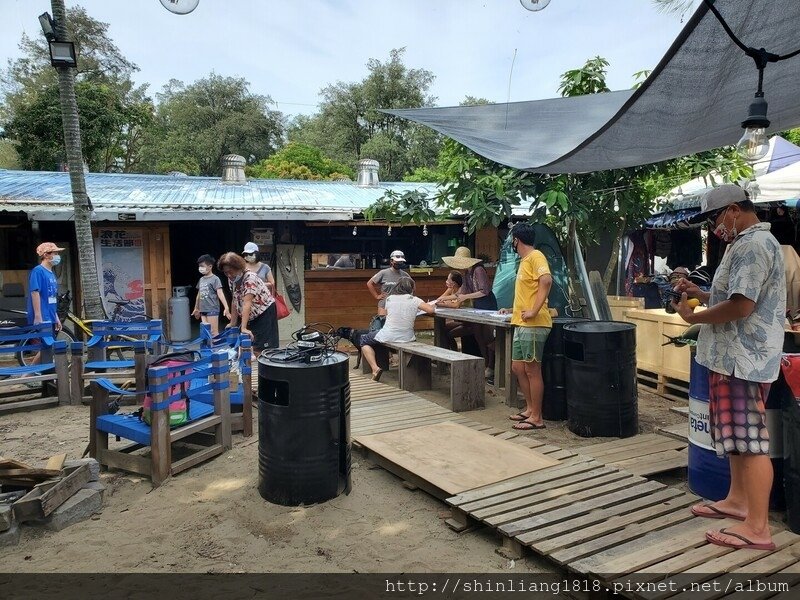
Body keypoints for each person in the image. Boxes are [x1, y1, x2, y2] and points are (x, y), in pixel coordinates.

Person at [673, 184, 785, 552]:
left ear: (734, 209)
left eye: (713, 218)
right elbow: (734, 296)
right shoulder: (745, 244)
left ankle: (758, 527)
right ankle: (738, 502)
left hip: (743, 357)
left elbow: (741, 307)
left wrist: (695, 314)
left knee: (750, 442)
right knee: (736, 438)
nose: (713, 227)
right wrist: (702, 294)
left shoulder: (753, 245)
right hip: (732, 356)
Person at [499, 223, 552, 431]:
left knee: (532, 369)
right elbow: (529, 291)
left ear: (516, 240)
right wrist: (513, 309)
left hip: (534, 324)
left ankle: (537, 417)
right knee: (518, 367)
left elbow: (546, 281)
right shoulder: (525, 260)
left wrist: (534, 311)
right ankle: (530, 409)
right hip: (520, 322)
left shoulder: (536, 256)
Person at [439, 247, 499, 383]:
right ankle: (485, 364)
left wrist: (465, 297)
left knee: (488, 337)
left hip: (488, 306)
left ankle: (491, 367)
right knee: (478, 335)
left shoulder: (478, 270)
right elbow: (461, 293)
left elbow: (484, 291)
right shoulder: (467, 273)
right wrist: (444, 299)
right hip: (477, 308)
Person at [360, 277, 435, 381]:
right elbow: (430, 310)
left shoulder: (389, 299)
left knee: (364, 340)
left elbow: (385, 314)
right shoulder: (415, 300)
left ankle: (375, 368)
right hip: (408, 337)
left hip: (387, 335)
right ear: (411, 288)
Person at [218, 252, 278, 351]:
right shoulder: (232, 279)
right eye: (225, 272)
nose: (229, 275)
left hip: (264, 312)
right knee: (247, 345)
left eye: (230, 271)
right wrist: (233, 322)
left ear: (238, 268)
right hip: (251, 314)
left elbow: (247, 303)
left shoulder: (250, 278)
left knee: (260, 348)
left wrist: (244, 328)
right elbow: (235, 299)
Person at [26, 242, 64, 367]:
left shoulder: (51, 272)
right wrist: (38, 315)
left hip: (50, 315)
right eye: (55, 253)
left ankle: (29, 374)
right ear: (47, 255)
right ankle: (29, 375)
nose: (58, 255)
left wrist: (56, 316)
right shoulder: (38, 271)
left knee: (47, 347)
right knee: (47, 346)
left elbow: (51, 297)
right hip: (43, 315)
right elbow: (35, 292)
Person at [191, 254, 230, 336]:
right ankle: (208, 349)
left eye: (202, 266)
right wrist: (196, 308)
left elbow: (220, 293)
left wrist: (226, 307)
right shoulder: (201, 279)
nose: (200, 268)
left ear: (210, 266)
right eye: (199, 266)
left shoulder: (215, 279)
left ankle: (216, 349)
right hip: (203, 309)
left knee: (213, 332)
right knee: (206, 333)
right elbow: (199, 294)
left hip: (212, 309)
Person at [367, 250, 410, 316]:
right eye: (397, 261)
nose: (399, 263)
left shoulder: (405, 275)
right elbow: (369, 283)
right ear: (391, 261)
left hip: (400, 305)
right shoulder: (383, 273)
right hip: (385, 304)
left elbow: (412, 287)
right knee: (382, 323)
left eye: (400, 261)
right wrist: (376, 296)